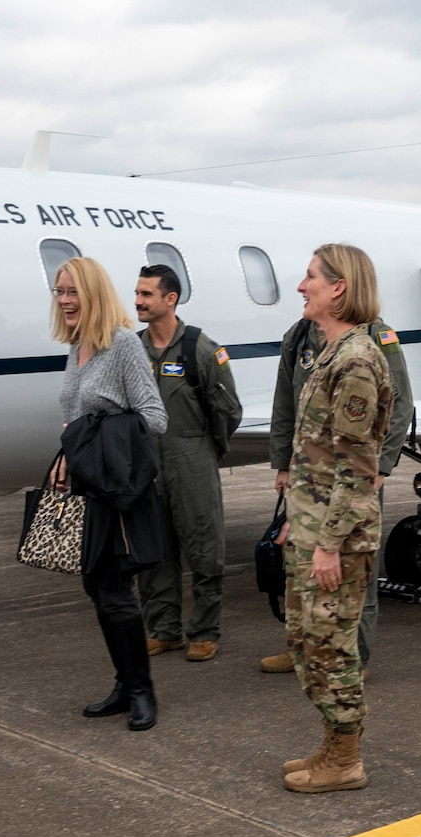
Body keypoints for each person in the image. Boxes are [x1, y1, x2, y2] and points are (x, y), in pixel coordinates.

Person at [278, 244, 393, 793]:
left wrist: (327, 544)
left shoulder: (355, 361)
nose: (302, 286)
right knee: (306, 641)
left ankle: (346, 758)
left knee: (332, 646)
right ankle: (331, 742)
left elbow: (355, 469)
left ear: (339, 288)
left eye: (310, 277)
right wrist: (295, 522)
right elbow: (314, 458)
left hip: (339, 539)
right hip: (313, 527)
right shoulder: (330, 354)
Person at [259, 295, 414, 674]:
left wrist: (382, 467)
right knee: (300, 564)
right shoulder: (297, 337)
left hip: (355, 473)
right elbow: (285, 405)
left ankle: (354, 657)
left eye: (311, 280)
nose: (301, 288)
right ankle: (303, 650)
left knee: (356, 566)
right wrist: (283, 464)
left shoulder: (375, 337)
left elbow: (400, 403)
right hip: (308, 476)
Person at [49, 255, 169, 731]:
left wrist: (94, 433)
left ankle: (143, 691)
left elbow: (154, 417)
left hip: (118, 490)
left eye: (72, 291)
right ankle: (124, 684)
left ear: (94, 293)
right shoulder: (77, 347)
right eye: (59, 292)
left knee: (117, 592)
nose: (64, 300)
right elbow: (74, 422)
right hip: (86, 487)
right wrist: (65, 455)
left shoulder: (122, 344)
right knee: (97, 590)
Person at [133, 263, 241, 662]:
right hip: (147, 462)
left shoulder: (201, 349)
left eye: (146, 294)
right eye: (138, 293)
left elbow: (228, 410)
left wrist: (206, 450)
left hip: (191, 456)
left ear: (170, 299)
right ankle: (164, 630)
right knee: (153, 550)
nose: (138, 301)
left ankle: (205, 630)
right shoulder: (132, 348)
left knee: (203, 547)